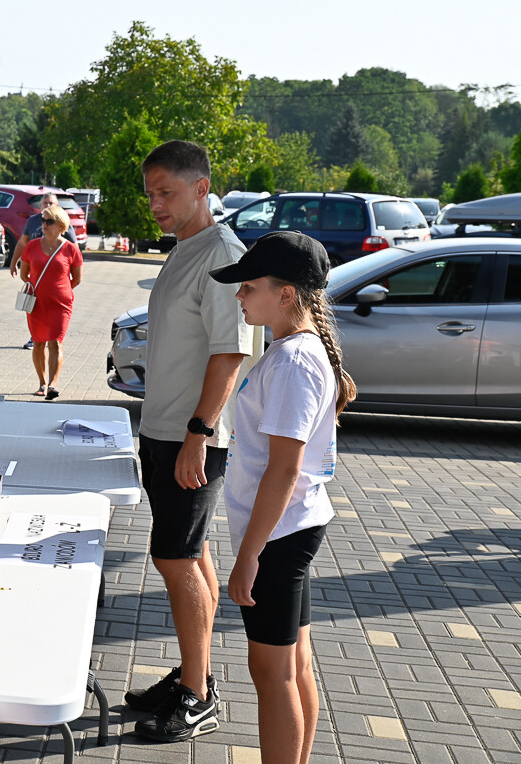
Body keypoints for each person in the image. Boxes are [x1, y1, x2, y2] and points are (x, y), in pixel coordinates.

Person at [209, 231, 356, 764]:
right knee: (294, 667)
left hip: (279, 533)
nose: (239, 296)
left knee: (272, 674)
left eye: (248, 287)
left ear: (287, 293)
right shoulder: (297, 349)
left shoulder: (294, 360)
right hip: (291, 527)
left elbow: (284, 468)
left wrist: (249, 555)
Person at [125, 141, 254, 743]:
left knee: (174, 557)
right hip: (165, 430)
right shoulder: (185, 248)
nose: (155, 203)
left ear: (202, 188)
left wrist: (198, 434)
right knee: (190, 553)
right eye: (150, 193)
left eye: (166, 192)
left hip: (192, 436)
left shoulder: (223, 255)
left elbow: (231, 354)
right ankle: (192, 676)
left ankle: (200, 697)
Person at [18, 204, 83, 401]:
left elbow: (77, 279)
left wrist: (59, 291)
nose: (44, 225)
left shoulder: (71, 249)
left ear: (60, 225)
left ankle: (53, 385)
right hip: (36, 303)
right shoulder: (31, 246)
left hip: (61, 304)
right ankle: (42, 383)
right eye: (42, 220)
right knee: (38, 343)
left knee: (55, 342)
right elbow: (24, 275)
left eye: (49, 221)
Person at [10, 192, 75, 349]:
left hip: (56, 276)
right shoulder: (33, 221)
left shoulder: (62, 222)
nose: (48, 206)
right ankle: (36, 337)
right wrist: (14, 261)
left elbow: (73, 246)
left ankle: (51, 337)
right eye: (45, 203)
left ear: (57, 205)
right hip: (36, 273)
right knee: (35, 307)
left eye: (51, 203)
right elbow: (22, 242)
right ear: (40, 206)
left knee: (52, 310)